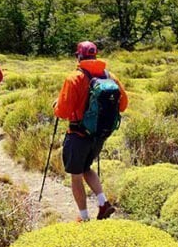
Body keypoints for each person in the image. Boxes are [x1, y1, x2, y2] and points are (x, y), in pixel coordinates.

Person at [54, 41, 128, 222]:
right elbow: (123, 105)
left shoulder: (74, 78)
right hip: (99, 136)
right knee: (86, 168)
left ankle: (83, 217)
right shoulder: (110, 76)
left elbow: (62, 112)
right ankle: (103, 203)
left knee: (76, 175)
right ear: (95, 55)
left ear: (79, 56)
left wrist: (56, 106)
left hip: (78, 135)